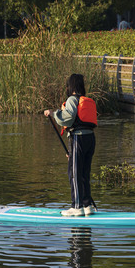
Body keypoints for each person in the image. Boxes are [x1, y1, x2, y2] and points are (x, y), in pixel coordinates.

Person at [44, 74, 97, 217]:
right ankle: (87, 205)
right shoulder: (86, 100)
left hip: (78, 139)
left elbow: (68, 117)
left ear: (70, 86)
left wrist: (53, 113)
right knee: (84, 173)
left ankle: (77, 206)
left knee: (74, 174)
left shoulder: (72, 99)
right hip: (90, 139)